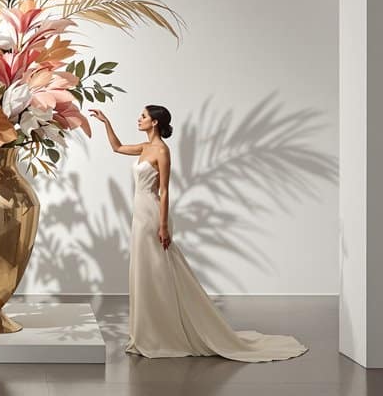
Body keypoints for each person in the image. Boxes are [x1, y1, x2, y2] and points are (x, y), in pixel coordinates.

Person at [88, 105, 309, 362]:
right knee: (145, 271)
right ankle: (147, 331)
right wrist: (106, 122)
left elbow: (165, 191)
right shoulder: (144, 147)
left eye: (144, 116)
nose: (139, 119)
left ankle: (164, 332)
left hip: (151, 215)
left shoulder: (161, 151)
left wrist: (163, 226)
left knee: (158, 271)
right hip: (138, 214)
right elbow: (117, 148)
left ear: (155, 122)